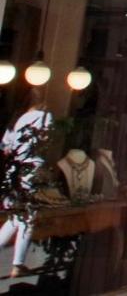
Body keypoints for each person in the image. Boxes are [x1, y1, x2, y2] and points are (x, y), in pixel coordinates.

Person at [0, 87, 52, 278]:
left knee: (15, 217)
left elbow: (5, 147)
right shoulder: (44, 117)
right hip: (30, 169)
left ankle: (17, 263)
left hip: (14, 169)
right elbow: (44, 141)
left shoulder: (17, 119)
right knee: (27, 217)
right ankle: (18, 264)